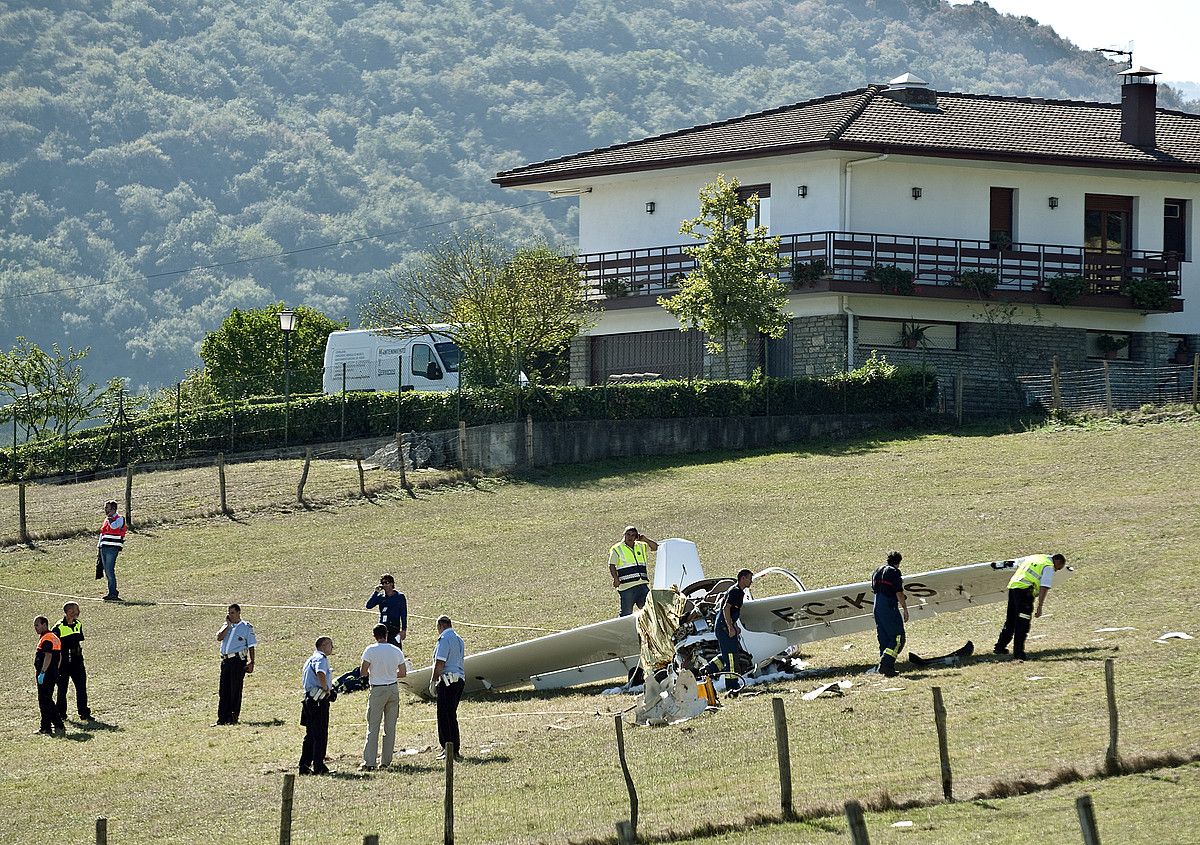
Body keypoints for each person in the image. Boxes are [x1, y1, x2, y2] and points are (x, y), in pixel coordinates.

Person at [994, 553, 1067, 660]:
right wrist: (1040, 606)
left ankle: (1000, 647)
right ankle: (1019, 654)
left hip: (1014, 587)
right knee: (1022, 623)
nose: (1056, 571)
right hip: (1025, 592)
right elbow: (1044, 587)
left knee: (1011, 620)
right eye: (1058, 568)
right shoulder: (1048, 566)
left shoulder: (1036, 557)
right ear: (1057, 562)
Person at [360, 623, 407, 771]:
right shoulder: (395, 650)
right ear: (386, 634)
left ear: (374, 636)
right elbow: (403, 672)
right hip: (393, 688)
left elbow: (363, 671)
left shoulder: (370, 650)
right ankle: (386, 761)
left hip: (378, 689)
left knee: (373, 727)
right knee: (390, 727)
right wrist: (391, 674)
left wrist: (375, 673)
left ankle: (370, 762)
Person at [430, 615, 466, 762]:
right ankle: (454, 748)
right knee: (451, 715)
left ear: (441, 626)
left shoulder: (444, 639)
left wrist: (433, 681)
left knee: (444, 715)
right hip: (459, 679)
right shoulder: (459, 639)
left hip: (447, 680)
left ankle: (447, 747)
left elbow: (440, 663)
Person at [711, 569, 753, 693]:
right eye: (749, 578)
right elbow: (726, 609)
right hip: (723, 628)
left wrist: (735, 626)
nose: (751, 581)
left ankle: (708, 669)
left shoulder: (738, 592)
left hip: (726, 626)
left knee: (729, 653)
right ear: (743, 578)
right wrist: (730, 627)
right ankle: (732, 685)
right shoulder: (735, 592)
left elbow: (732, 612)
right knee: (731, 657)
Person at [214, 604, 256, 725]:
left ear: (238, 613)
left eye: (232, 613)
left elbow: (251, 645)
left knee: (235, 690)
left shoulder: (246, 627)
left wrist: (252, 662)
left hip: (238, 661)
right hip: (226, 661)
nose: (230, 615)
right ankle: (222, 718)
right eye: (229, 613)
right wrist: (227, 626)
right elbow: (219, 637)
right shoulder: (226, 626)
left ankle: (232, 717)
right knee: (223, 690)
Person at [871, 551, 909, 677]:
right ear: (898, 562)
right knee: (898, 637)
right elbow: (898, 592)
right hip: (888, 607)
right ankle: (885, 664)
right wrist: (904, 608)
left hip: (877, 607)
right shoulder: (894, 572)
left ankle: (887, 668)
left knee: (885, 639)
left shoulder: (877, 571)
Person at [300, 636, 334, 775]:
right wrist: (326, 689)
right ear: (324, 645)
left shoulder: (310, 659)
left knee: (310, 735)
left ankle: (304, 765)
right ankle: (318, 766)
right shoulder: (321, 658)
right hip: (319, 700)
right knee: (320, 735)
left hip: (309, 699)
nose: (332, 648)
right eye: (330, 645)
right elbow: (320, 672)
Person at [54, 602, 92, 721]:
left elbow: (79, 641)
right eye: (76, 610)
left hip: (77, 662)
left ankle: (84, 712)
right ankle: (61, 714)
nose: (79, 612)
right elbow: (54, 647)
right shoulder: (58, 627)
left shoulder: (78, 624)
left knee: (81, 688)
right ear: (69, 612)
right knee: (62, 689)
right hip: (63, 663)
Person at [609, 526, 658, 616]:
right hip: (627, 587)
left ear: (636, 537)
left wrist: (645, 539)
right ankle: (623, 630)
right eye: (628, 534)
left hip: (642, 585)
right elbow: (612, 565)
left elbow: (655, 548)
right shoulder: (617, 548)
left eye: (633, 535)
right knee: (626, 614)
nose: (630, 537)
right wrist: (616, 579)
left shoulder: (641, 545)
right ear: (624, 535)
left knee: (650, 612)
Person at [34, 616, 65, 736]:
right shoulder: (54, 637)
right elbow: (59, 656)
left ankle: (48, 726)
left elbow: (48, 656)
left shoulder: (47, 638)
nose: (35, 628)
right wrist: (55, 669)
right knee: (47, 699)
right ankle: (55, 724)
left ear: (44, 624)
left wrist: (42, 672)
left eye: (37, 625)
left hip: (46, 674)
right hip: (52, 673)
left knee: (44, 700)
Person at [365, 573, 408, 644]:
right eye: (383, 583)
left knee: (395, 649)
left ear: (392, 583)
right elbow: (368, 606)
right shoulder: (380, 597)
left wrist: (404, 629)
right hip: (383, 629)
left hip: (394, 628)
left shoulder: (399, 597)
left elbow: (403, 614)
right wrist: (375, 592)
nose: (385, 585)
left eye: (387, 583)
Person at [97, 500, 126, 601]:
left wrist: (109, 518)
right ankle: (111, 592)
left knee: (110, 570)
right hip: (104, 547)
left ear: (113, 509)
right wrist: (99, 546)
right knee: (107, 571)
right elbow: (102, 533)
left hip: (112, 548)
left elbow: (114, 526)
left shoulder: (120, 518)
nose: (105, 510)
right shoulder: (107, 519)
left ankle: (113, 593)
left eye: (107, 508)